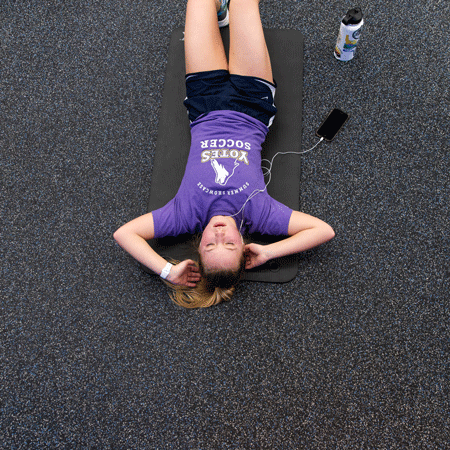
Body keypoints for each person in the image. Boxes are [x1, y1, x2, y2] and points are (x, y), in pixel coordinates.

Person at [114, 0, 335, 308]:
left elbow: (124, 234)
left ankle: (217, 10)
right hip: (252, 104)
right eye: (229, 244)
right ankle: (225, 11)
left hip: (204, 104)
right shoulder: (259, 215)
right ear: (244, 246)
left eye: (209, 245)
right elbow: (323, 230)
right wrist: (270, 252)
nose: (218, 234)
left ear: (198, 248)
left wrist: (167, 269)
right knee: (246, 4)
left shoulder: (183, 216)